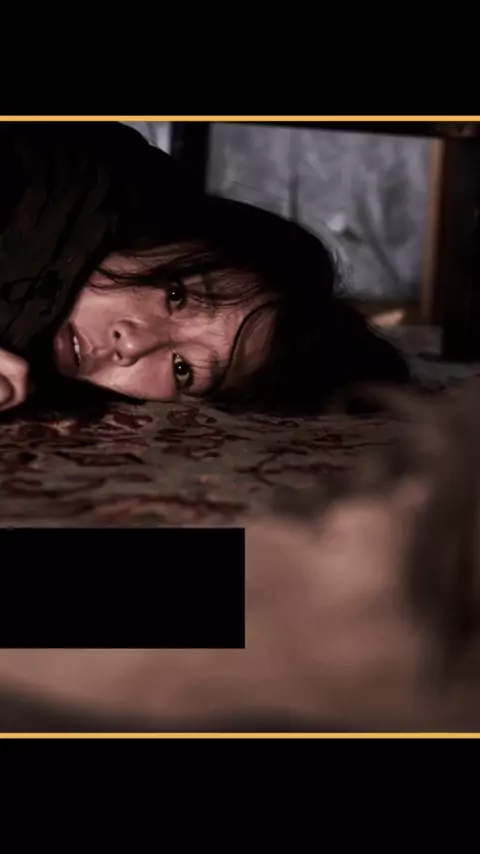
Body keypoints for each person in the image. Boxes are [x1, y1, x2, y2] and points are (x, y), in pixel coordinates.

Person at [0, 121, 409, 417]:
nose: (133, 345)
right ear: (173, 235)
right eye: (175, 295)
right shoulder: (58, 173)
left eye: (182, 370)